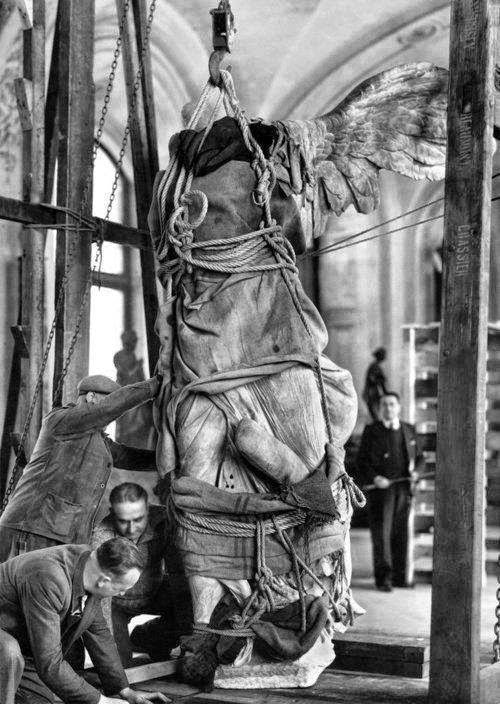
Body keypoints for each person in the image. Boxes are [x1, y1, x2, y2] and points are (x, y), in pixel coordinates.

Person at [0, 374, 160, 562]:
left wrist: (170, 458)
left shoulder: (99, 440)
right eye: (109, 403)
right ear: (91, 397)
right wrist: (154, 385)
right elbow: (106, 410)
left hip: (59, 534)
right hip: (33, 528)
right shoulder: (60, 420)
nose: (112, 417)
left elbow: (129, 457)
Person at [0, 537, 170, 704]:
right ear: (104, 581)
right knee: (8, 651)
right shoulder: (49, 577)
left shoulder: (91, 567)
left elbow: (99, 633)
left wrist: (124, 690)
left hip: (23, 647)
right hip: (6, 645)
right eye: (121, 589)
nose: (122, 594)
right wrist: (102, 701)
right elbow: (49, 662)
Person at [91, 482, 192, 666]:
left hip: (155, 592)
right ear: (112, 513)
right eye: (123, 521)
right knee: (118, 666)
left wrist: (187, 638)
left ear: (148, 509)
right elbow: (101, 599)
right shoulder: (101, 536)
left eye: (138, 519)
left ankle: (146, 637)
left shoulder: (165, 521)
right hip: (117, 604)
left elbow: (178, 575)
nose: (131, 529)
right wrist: (110, 649)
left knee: (191, 602)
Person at [357, 392, 423, 591]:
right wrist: (375, 478)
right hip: (381, 491)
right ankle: (383, 579)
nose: (388, 408)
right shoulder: (371, 431)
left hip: (403, 489)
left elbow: (420, 458)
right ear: (380, 409)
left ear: (398, 407)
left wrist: (416, 473)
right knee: (382, 535)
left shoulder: (408, 429)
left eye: (392, 404)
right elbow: (361, 461)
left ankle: (400, 578)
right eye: (384, 405)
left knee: (401, 533)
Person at [362, 347, 389, 421]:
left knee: (377, 414)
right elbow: (372, 379)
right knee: (375, 415)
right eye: (383, 355)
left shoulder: (376, 366)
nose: (385, 357)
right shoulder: (375, 367)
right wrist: (381, 381)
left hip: (374, 394)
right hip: (372, 394)